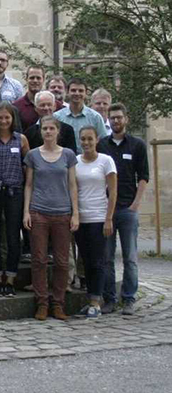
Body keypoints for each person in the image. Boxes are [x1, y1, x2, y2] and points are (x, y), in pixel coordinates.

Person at [23, 115, 79, 321]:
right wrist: (26, 211)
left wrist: (75, 213)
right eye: (44, 128)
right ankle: (42, 303)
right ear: (40, 131)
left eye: (51, 128)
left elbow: (73, 185)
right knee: (39, 260)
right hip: (38, 212)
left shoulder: (68, 155)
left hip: (62, 213)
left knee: (62, 262)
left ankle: (58, 303)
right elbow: (28, 184)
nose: (47, 132)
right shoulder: (32, 155)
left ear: (58, 131)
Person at [97, 103, 149, 315]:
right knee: (107, 258)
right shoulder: (102, 145)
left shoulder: (137, 145)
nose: (116, 121)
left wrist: (135, 205)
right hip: (106, 209)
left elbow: (144, 176)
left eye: (119, 117)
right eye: (112, 118)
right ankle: (109, 299)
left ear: (126, 119)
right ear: (108, 120)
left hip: (128, 209)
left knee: (129, 257)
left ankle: (128, 299)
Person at [0, 102, 29, 297]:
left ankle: (10, 279)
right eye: (0, 117)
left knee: (13, 237)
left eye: (7, 117)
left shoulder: (21, 140)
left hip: (15, 192)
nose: (4, 121)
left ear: (13, 119)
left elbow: (27, 167)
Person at [75, 126, 117, 318]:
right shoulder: (75, 161)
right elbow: (73, 190)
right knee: (86, 261)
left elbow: (113, 192)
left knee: (98, 261)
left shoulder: (106, 161)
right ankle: (91, 298)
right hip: (81, 218)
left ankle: (96, 301)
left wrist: (109, 218)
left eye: (90, 139)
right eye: (83, 139)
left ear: (97, 140)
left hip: (99, 217)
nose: (86, 143)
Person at [53, 77, 108, 153]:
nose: (77, 93)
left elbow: (104, 143)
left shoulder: (95, 117)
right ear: (67, 92)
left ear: (86, 93)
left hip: (89, 162)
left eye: (81, 91)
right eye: (73, 90)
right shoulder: (57, 117)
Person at [13, 66, 57, 131]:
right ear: (26, 79)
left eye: (38, 78)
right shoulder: (16, 107)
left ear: (43, 79)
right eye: (32, 78)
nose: (35, 81)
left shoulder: (55, 105)